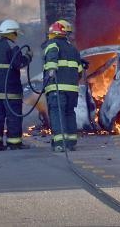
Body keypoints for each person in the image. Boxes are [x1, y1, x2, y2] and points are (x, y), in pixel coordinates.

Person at [0, 19, 32, 151]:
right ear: (12, 33)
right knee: (13, 116)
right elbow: (19, 64)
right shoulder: (12, 47)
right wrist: (29, 56)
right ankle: (14, 142)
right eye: (16, 34)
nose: (16, 37)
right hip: (10, 89)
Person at [42, 20, 82, 152]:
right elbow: (80, 71)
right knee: (69, 113)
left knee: (57, 113)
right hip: (72, 90)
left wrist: (52, 70)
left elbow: (52, 58)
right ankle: (71, 142)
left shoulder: (52, 44)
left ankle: (59, 143)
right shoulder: (73, 49)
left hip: (57, 87)